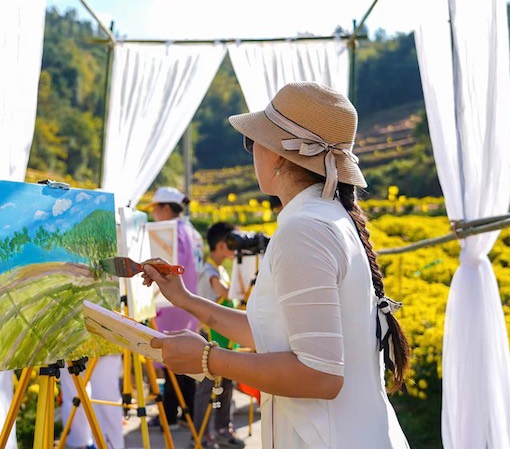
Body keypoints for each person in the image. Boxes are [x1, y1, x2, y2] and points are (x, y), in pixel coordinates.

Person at [142, 82, 411, 448]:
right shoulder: (325, 219)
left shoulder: (305, 230)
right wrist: (186, 299)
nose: (251, 153)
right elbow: (275, 333)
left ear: (281, 155)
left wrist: (208, 358)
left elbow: (320, 376)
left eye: (253, 141)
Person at [146, 186, 199, 429]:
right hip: (188, 302)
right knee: (185, 360)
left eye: (156, 208)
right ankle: (188, 410)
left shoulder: (167, 232)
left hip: (170, 303)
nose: (154, 213)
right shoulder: (189, 230)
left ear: (166, 208)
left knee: (171, 359)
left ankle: (169, 415)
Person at [194, 221, 245, 448]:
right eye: (233, 244)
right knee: (207, 389)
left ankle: (223, 428)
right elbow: (226, 292)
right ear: (222, 246)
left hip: (226, 339)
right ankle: (202, 434)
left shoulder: (221, 270)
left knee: (226, 386)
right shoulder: (209, 272)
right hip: (210, 339)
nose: (236, 250)